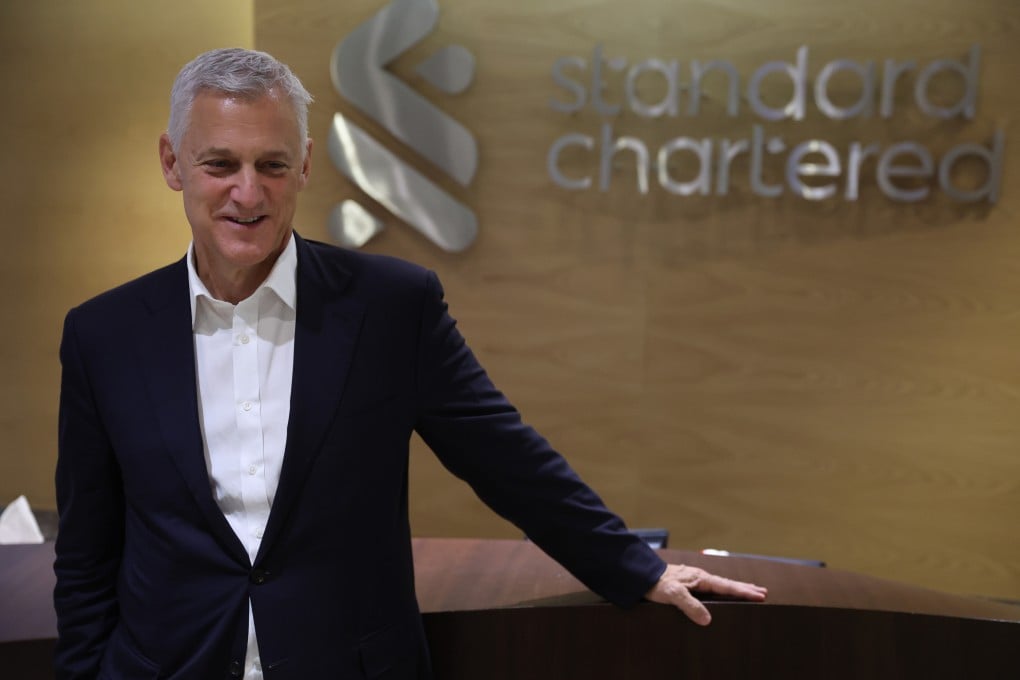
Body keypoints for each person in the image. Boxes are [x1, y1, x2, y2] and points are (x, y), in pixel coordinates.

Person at [53, 48, 766, 679]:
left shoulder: (391, 308)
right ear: (172, 163)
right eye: (220, 164)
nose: (249, 192)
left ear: (304, 165)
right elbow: (87, 550)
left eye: (272, 164)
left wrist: (635, 568)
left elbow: (505, 458)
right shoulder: (101, 335)